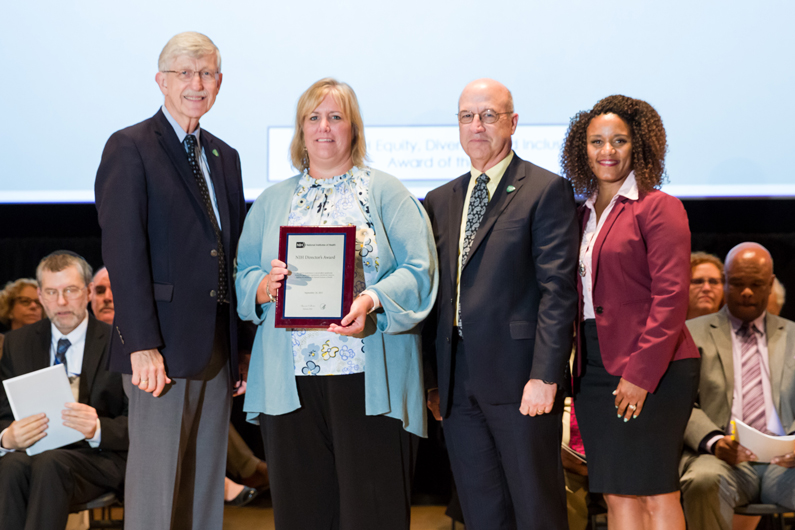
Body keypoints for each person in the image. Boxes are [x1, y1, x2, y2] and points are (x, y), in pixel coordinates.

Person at [236, 78, 437, 530]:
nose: (324, 127)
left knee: (373, 514)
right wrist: (266, 286)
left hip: (367, 377)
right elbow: (242, 273)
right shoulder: (272, 202)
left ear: (354, 129)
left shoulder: (387, 191)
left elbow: (419, 270)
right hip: (290, 384)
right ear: (300, 130)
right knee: (303, 515)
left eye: (335, 116)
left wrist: (371, 299)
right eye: (314, 117)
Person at [94, 31, 246, 529]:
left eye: (206, 73)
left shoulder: (226, 156)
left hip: (216, 349)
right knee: (157, 493)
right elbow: (123, 251)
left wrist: (238, 344)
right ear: (161, 81)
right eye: (185, 72)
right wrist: (141, 343)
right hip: (157, 351)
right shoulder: (130, 146)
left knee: (204, 490)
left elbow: (230, 251)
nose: (196, 83)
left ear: (219, 83)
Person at [423, 78, 578, 530]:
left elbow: (558, 290)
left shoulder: (544, 189)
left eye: (489, 115)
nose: (477, 125)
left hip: (520, 380)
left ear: (512, 123)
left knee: (535, 510)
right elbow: (436, 296)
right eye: (467, 116)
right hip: (457, 383)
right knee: (482, 512)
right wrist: (434, 379)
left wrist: (546, 374)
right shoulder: (439, 199)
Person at [561, 95, 700, 530]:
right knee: (618, 492)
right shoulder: (578, 214)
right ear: (581, 150)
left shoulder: (659, 207)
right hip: (594, 368)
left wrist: (641, 374)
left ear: (637, 146)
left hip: (653, 367)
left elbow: (672, 297)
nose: (607, 151)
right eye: (596, 141)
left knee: (656, 491)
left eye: (618, 140)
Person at [0, 251, 128, 530]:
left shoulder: (120, 341)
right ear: (40, 295)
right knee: (9, 466)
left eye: (70, 290)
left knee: (50, 463)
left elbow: (142, 422)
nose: (61, 302)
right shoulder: (17, 343)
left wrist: (97, 428)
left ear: (88, 292)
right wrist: (6, 437)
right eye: (52, 292)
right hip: (37, 456)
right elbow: (3, 412)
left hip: (100, 458)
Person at [680, 242, 795, 530]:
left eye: (756, 284)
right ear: (725, 282)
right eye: (738, 283)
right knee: (701, 480)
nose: (746, 292)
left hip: (786, 464)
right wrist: (715, 442)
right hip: (721, 458)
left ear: (770, 285)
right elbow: (678, 401)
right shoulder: (691, 334)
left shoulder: (793, 335)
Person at [0, 279, 43, 353]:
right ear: (9, 308)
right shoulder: (1, 344)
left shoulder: (52, 343)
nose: (33, 306)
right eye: (25, 301)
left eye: (38, 302)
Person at [688, 252, 725, 319]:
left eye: (714, 282)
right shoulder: (666, 327)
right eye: (698, 282)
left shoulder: (736, 328)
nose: (706, 288)